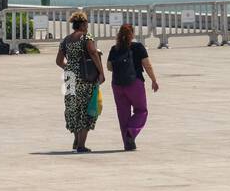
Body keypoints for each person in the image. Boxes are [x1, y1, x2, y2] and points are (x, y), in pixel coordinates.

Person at [55, 10, 105, 151]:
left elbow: (59, 61)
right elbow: (93, 53)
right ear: (82, 24)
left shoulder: (66, 40)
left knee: (73, 108)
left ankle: (77, 140)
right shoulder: (86, 37)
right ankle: (81, 145)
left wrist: (70, 67)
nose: (87, 26)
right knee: (86, 108)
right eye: (86, 24)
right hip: (85, 78)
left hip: (70, 77)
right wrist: (101, 72)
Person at [107, 22, 159, 151]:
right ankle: (131, 133)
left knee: (123, 113)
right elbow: (147, 65)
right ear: (132, 34)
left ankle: (127, 143)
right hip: (135, 83)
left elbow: (109, 67)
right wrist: (154, 80)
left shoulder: (114, 49)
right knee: (141, 111)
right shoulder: (138, 47)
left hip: (117, 84)